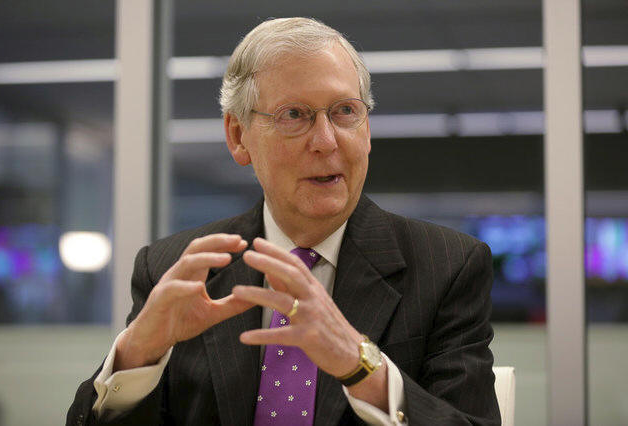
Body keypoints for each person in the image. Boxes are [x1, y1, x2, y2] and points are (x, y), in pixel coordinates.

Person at [67, 17, 500, 426]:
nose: (326, 141)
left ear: (366, 128)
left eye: (345, 111)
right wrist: (137, 355)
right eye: (294, 115)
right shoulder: (175, 269)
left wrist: (362, 366)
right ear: (238, 136)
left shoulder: (447, 266)